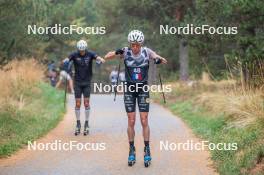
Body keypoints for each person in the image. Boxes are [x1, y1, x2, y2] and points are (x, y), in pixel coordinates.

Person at [104, 30, 167, 167]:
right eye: (133, 45)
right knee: (131, 120)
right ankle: (131, 149)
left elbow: (159, 58)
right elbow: (107, 56)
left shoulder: (146, 51)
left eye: (137, 45)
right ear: (130, 44)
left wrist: (159, 59)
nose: (135, 47)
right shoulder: (125, 52)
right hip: (129, 90)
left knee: (144, 120)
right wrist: (117, 52)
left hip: (143, 90)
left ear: (141, 44)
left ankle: (147, 150)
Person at [68, 40, 105, 136]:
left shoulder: (90, 54)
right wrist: (65, 62)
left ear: (85, 49)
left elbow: (97, 57)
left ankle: (87, 123)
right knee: (78, 103)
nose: (82, 53)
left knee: (86, 103)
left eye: (83, 51)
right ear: (78, 49)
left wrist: (100, 59)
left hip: (87, 82)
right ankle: (78, 123)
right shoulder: (74, 55)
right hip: (77, 83)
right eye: (80, 51)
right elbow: (67, 59)